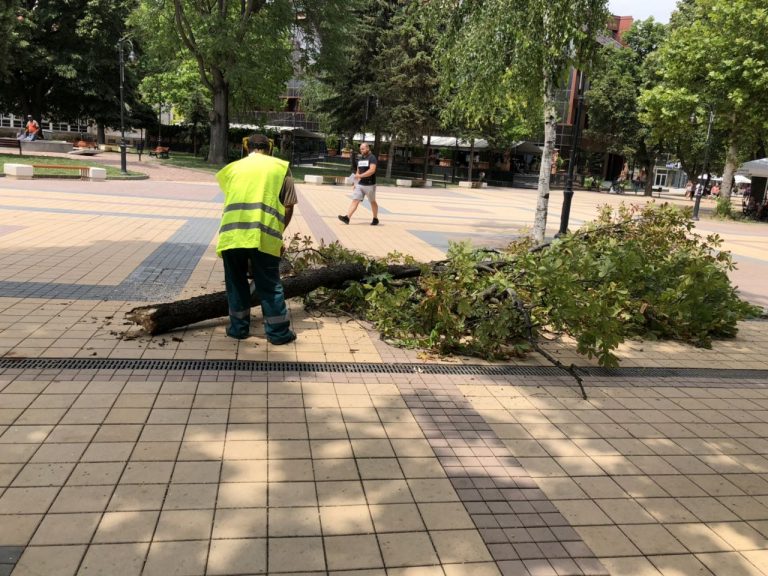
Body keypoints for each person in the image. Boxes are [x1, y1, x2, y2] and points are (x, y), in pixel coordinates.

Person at [215, 134, 298, 345]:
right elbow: (288, 206)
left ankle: (238, 329)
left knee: (235, 283)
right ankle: (278, 334)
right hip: (264, 236)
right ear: (270, 148)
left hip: (231, 235)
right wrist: (278, 235)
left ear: (246, 147)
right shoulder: (280, 168)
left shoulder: (231, 169)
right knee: (269, 285)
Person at [338, 142, 379, 225]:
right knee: (355, 200)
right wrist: (355, 183)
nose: (361, 150)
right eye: (360, 149)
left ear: (368, 148)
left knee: (372, 202)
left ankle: (375, 218)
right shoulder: (360, 159)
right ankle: (347, 218)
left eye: (363, 149)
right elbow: (358, 171)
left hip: (370, 185)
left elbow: (372, 170)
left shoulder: (372, 158)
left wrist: (360, 175)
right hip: (360, 184)